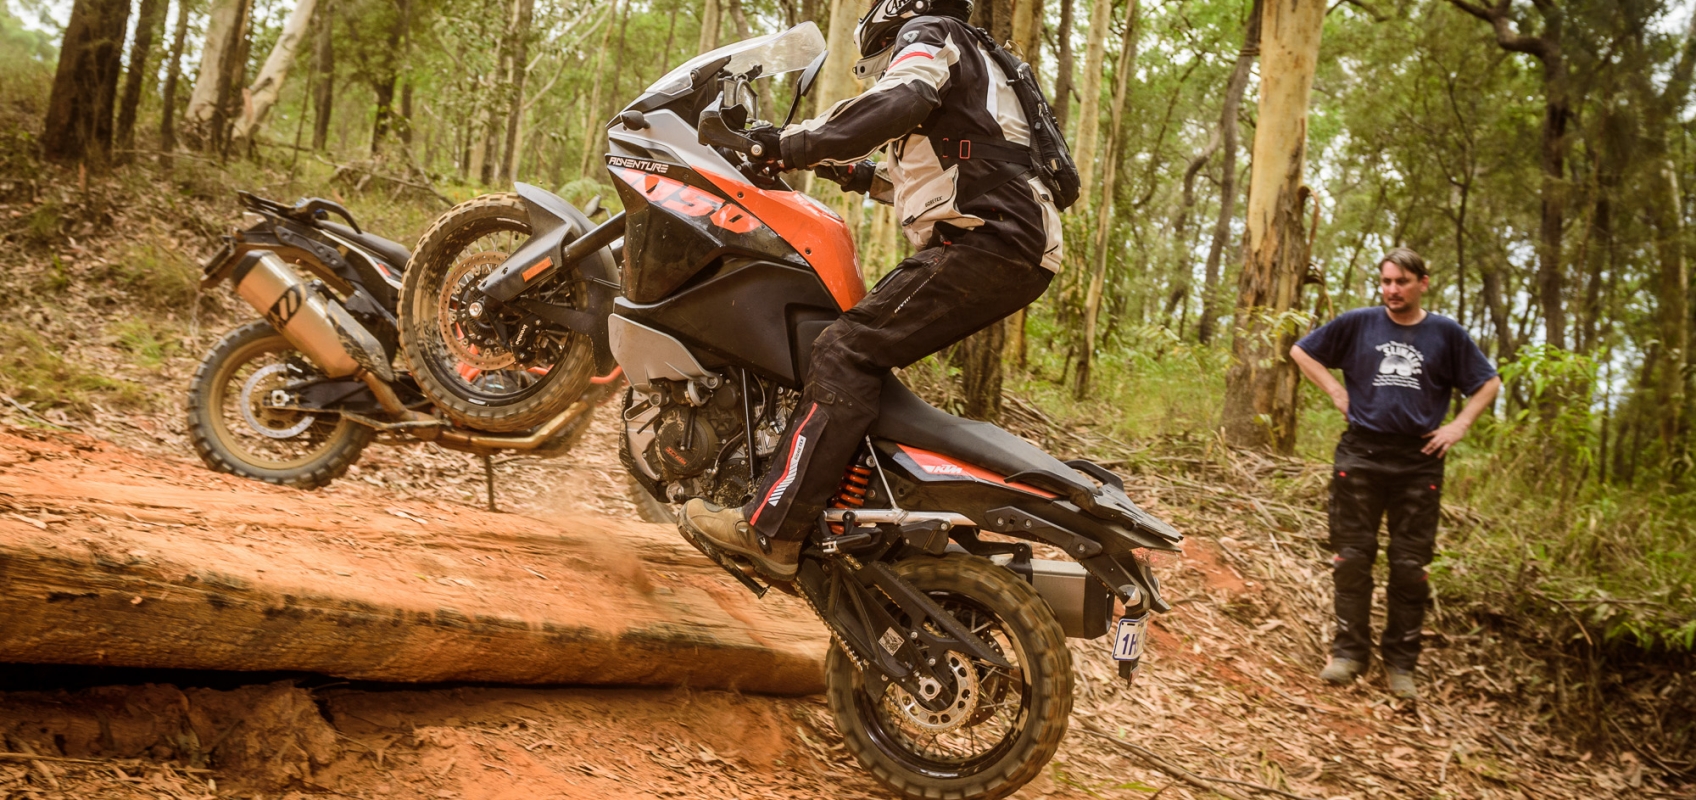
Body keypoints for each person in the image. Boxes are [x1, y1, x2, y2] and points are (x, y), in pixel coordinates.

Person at [679, 0, 1064, 580]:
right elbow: (955, 168)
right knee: (861, 353)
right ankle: (847, 500)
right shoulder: (978, 59)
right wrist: (853, 171)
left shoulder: (930, 31)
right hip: (1007, 236)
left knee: (844, 350)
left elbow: (902, 98)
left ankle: (772, 531)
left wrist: (785, 144)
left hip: (989, 238)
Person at [1290, 248, 1501, 701]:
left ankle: (1401, 665)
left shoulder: (1445, 333)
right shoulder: (1359, 323)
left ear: (1423, 283)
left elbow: (1489, 382)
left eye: (1401, 282)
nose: (1392, 290)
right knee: (1352, 558)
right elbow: (1301, 350)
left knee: (1409, 567)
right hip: (1361, 454)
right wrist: (1335, 391)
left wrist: (1460, 425)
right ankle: (1348, 655)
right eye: (1386, 281)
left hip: (1418, 461)